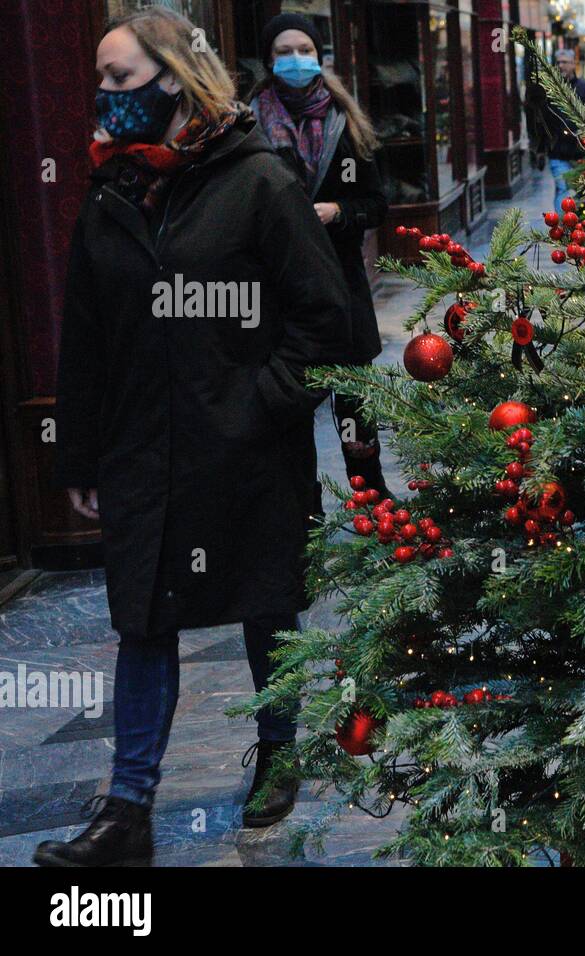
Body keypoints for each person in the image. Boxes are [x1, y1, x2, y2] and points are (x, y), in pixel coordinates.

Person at [36, 6, 351, 866]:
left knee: (265, 604)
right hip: (143, 447)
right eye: (102, 78)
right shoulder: (111, 192)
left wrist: (259, 405)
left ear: (172, 77)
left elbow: (331, 326)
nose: (105, 94)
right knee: (142, 620)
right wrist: (80, 452)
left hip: (245, 448)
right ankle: (126, 811)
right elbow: (89, 337)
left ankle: (277, 755)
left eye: (120, 78)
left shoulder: (258, 182)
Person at [250, 13, 392, 499]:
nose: (295, 59)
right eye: (284, 51)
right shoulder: (250, 125)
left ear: (319, 56)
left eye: (304, 50)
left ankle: (370, 494)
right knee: (290, 403)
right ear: (269, 59)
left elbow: (376, 204)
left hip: (340, 286)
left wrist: (338, 211)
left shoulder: (345, 122)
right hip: (279, 292)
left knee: (355, 401)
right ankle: (302, 506)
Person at [543, 48, 585, 208]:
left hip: (582, 152)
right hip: (558, 152)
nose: (561, 65)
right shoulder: (550, 90)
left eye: (565, 62)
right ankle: (563, 229)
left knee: (582, 191)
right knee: (563, 190)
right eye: (558, 62)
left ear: (573, 64)